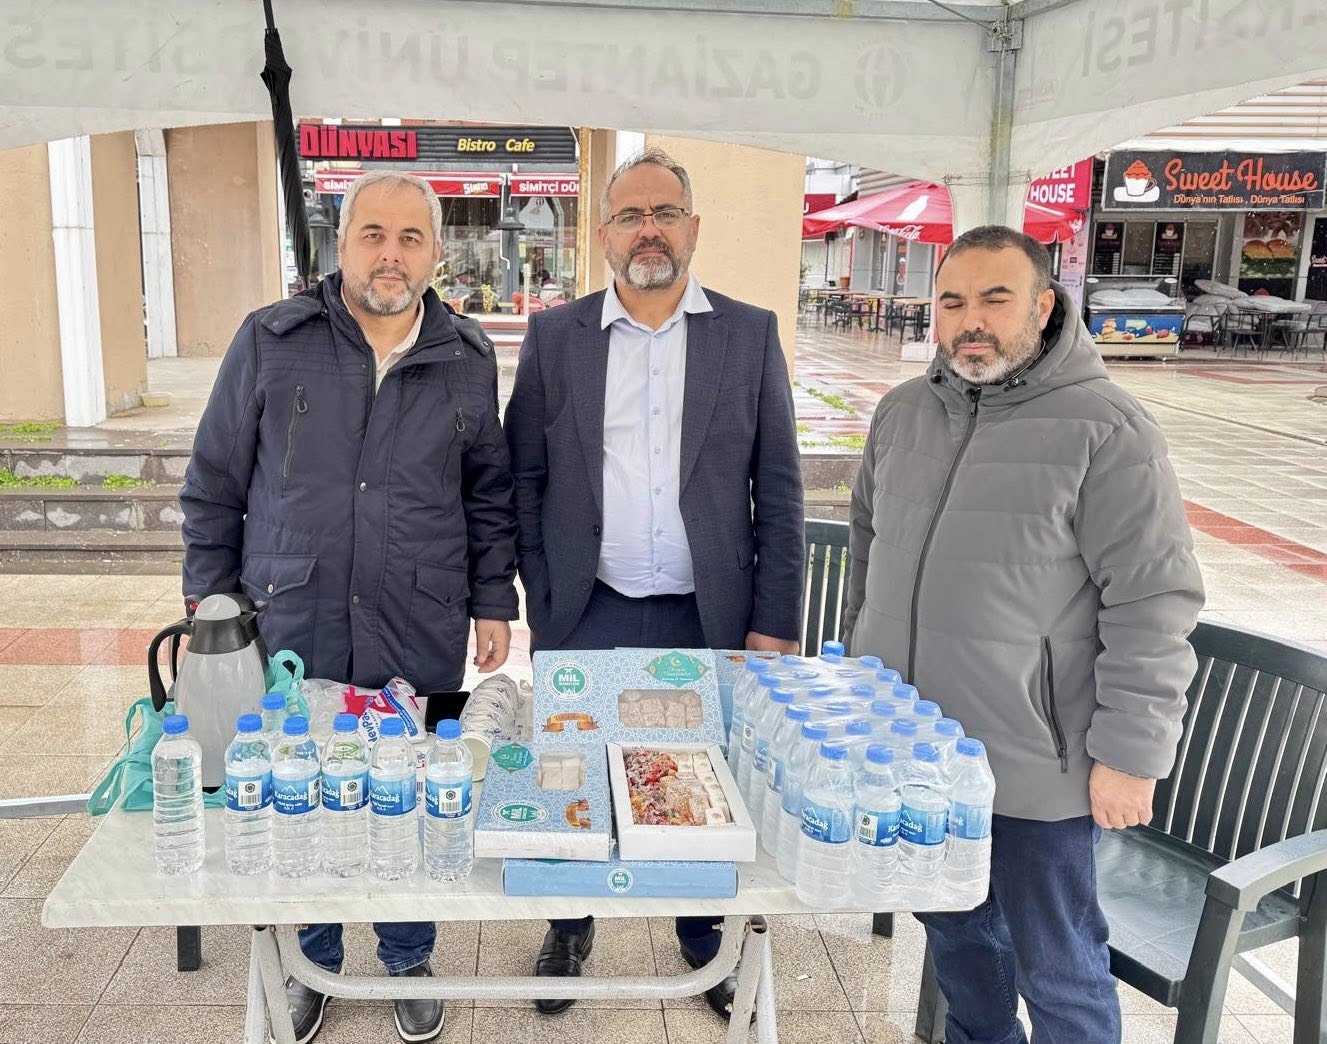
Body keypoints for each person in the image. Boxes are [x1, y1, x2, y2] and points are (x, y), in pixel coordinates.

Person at [842, 225, 1204, 1044]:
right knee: (960, 939)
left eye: (994, 299)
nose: (970, 320)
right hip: (919, 757)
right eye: (951, 301)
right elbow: (869, 552)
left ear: (1042, 307)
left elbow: (1154, 600)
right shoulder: (902, 414)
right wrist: (859, 684)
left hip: (1038, 765)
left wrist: (1130, 756)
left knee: (1058, 964)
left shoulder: (1105, 428)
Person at [180, 170, 519, 1044]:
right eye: (373, 233)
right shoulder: (272, 339)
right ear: (342, 243)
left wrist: (493, 600)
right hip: (295, 619)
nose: (390, 254)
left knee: (417, 789)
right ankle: (314, 960)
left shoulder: (466, 356)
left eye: (410, 237)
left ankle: (409, 956)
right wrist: (209, 598)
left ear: (437, 253)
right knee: (308, 786)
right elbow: (214, 482)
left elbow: (487, 492)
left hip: (419, 617)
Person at [504, 148, 805, 1021]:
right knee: (571, 775)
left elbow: (779, 488)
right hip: (584, 608)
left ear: (692, 227)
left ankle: (702, 938)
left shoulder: (747, 334)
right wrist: (540, 593)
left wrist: (773, 622)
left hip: (707, 614)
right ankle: (569, 926)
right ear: (602, 233)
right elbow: (523, 477)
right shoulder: (556, 337)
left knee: (703, 784)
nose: (648, 230)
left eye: (665, 213)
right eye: (630, 215)